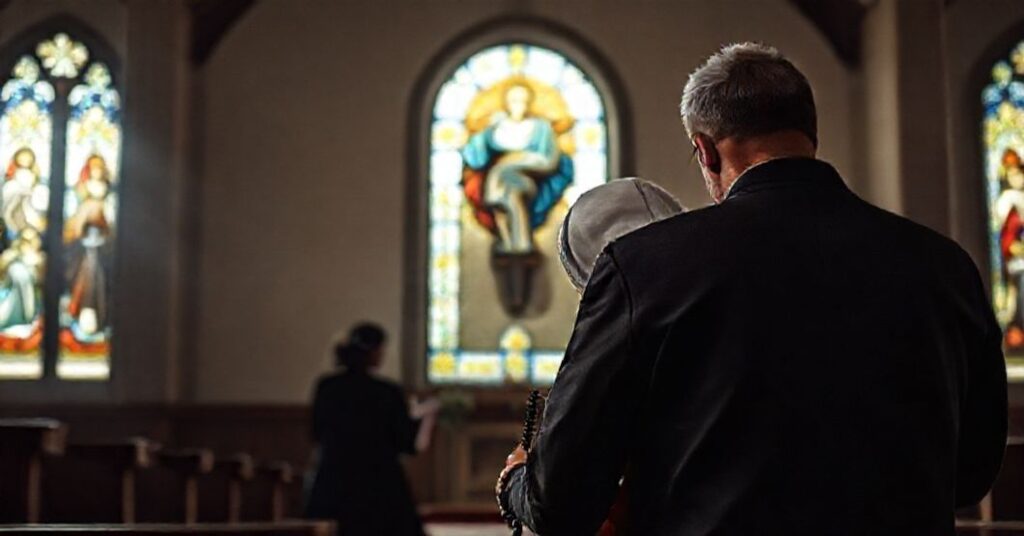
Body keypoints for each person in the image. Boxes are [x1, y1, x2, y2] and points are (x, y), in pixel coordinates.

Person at [496, 42, 1008, 535]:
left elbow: (561, 504)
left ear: (705, 151)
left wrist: (518, 481)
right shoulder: (943, 266)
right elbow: (970, 474)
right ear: (810, 135)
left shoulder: (643, 267)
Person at [305, 323, 439, 536]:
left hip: (333, 485)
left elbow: (317, 432)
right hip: (381, 488)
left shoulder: (327, 387)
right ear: (376, 352)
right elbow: (406, 444)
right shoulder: (387, 392)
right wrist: (422, 415)